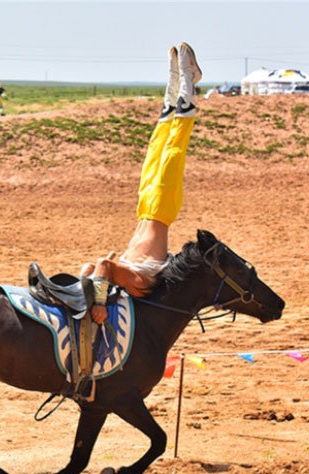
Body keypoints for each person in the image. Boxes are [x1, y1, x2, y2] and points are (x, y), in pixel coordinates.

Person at [81, 42, 202, 324]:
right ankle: (188, 86)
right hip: (161, 210)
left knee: (155, 150)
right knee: (173, 153)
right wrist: (98, 302)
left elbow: (91, 267)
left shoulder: (127, 278)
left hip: (145, 209)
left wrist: (87, 292)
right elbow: (102, 265)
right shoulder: (139, 284)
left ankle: (173, 85)